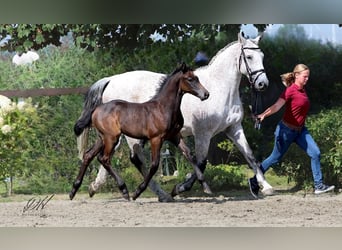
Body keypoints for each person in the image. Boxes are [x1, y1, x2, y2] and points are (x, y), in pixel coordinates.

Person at [248, 63, 335, 198]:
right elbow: (276, 106)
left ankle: (318, 186)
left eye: (308, 77)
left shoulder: (302, 90)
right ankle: (254, 180)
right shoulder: (290, 90)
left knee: (315, 153)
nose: (307, 79)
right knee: (274, 158)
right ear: (296, 75)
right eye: (305, 77)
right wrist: (263, 115)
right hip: (286, 131)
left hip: (301, 131)